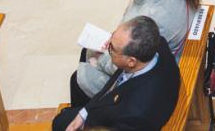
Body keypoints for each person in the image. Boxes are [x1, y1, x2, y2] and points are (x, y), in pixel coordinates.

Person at [72, 0, 201, 100]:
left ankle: (87, 118)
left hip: (151, 76)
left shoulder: (153, 17)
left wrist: (103, 60)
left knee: (78, 78)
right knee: (88, 50)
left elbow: (133, 62)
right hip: (157, 52)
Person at [52, 16, 180, 131]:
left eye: (112, 48)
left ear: (131, 61)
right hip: (103, 109)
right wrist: (84, 112)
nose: (107, 45)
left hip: (109, 121)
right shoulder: (155, 44)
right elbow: (116, 82)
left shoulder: (137, 114)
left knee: (59, 123)